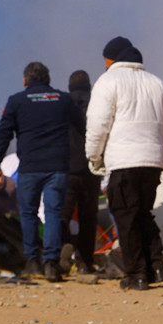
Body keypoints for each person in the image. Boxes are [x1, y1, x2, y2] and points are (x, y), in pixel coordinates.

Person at [85, 37, 163, 290]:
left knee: (125, 217)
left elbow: (98, 124)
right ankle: (156, 267)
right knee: (142, 214)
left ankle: (137, 274)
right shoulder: (159, 84)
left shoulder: (108, 81)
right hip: (153, 163)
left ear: (112, 59)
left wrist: (93, 156)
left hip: (123, 162)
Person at [0, 61, 85, 282]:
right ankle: (51, 263)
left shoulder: (16, 101)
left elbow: (3, 134)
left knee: (28, 214)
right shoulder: (64, 99)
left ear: (25, 81)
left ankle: (33, 263)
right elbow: (81, 128)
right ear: (48, 80)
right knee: (52, 213)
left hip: (30, 167)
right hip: (58, 167)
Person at [59, 70, 101, 276]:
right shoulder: (96, 103)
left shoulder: (62, 104)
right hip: (91, 168)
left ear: (69, 87)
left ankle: (64, 249)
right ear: (89, 86)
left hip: (66, 169)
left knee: (62, 215)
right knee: (88, 217)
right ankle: (85, 263)